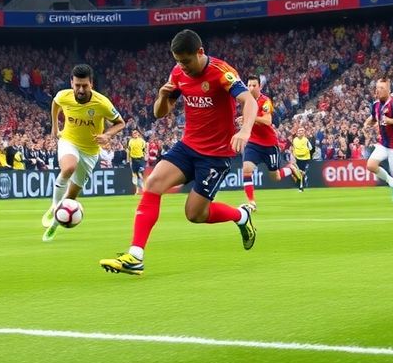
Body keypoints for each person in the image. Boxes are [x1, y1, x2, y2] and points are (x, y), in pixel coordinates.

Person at [100, 29, 258, 276]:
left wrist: (245, 130)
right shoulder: (178, 73)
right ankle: (136, 256)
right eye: (177, 61)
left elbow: (249, 101)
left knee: (194, 214)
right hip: (187, 146)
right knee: (152, 183)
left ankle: (241, 216)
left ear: (200, 53)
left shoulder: (221, 72)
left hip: (216, 155)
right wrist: (162, 97)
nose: (182, 66)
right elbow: (159, 113)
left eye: (186, 61)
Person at [42, 64, 126, 242]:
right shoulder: (64, 95)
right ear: (71, 83)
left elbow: (120, 123)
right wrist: (55, 126)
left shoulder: (102, 103)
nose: (80, 89)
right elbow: (55, 104)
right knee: (68, 168)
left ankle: (55, 225)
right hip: (69, 141)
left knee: (71, 196)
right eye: (77, 85)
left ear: (91, 84)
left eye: (84, 85)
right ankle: (55, 207)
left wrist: (107, 135)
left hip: (90, 152)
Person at [239, 76, 303, 210]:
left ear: (259, 86)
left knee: (276, 177)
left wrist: (249, 118)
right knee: (246, 170)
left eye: (253, 85)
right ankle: (251, 202)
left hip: (269, 144)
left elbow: (268, 121)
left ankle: (291, 168)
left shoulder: (265, 101)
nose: (251, 88)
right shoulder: (245, 101)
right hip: (253, 142)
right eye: (249, 85)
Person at [290, 126, 315, 192]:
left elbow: (311, 148)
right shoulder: (294, 140)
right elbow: (293, 149)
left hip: (305, 158)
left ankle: (301, 186)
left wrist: (309, 155)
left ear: (303, 133)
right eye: (298, 131)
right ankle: (300, 185)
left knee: (302, 173)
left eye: (301, 131)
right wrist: (293, 156)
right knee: (298, 173)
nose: (299, 132)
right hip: (297, 158)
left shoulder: (306, 140)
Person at [126, 128, 147, 195]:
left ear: (138, 134)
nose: (134, 134)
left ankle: (144, 188)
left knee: (140, 173)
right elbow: (128, 151)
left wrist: (146, 156)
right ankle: (137, 190)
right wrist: (128, 160)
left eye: (135, 133)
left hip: (140, 159)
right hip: (133, 159)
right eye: (133, 133)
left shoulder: (142, 141)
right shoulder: (130, 141)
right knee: (135, 176)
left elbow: (145, 149)